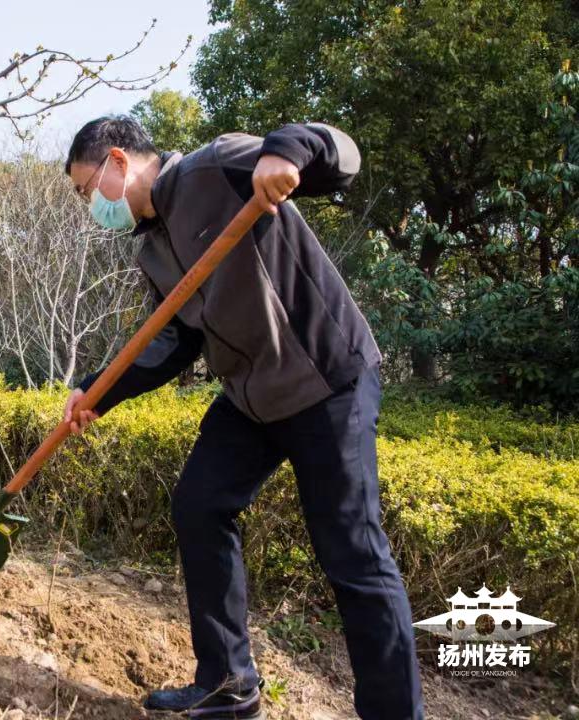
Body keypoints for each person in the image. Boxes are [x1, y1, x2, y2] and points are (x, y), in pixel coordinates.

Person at [62, 117, 424, 720]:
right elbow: (171, 340)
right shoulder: (153, 248)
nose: (89, 207)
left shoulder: (218, 166)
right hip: (252, 397)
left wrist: (283, 155)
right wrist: (96, 391)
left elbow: (340, 152)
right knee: (200, 504)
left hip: (325, 378)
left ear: (118, 163)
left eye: (85, 189)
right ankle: (229, 682)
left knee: (352, 553)